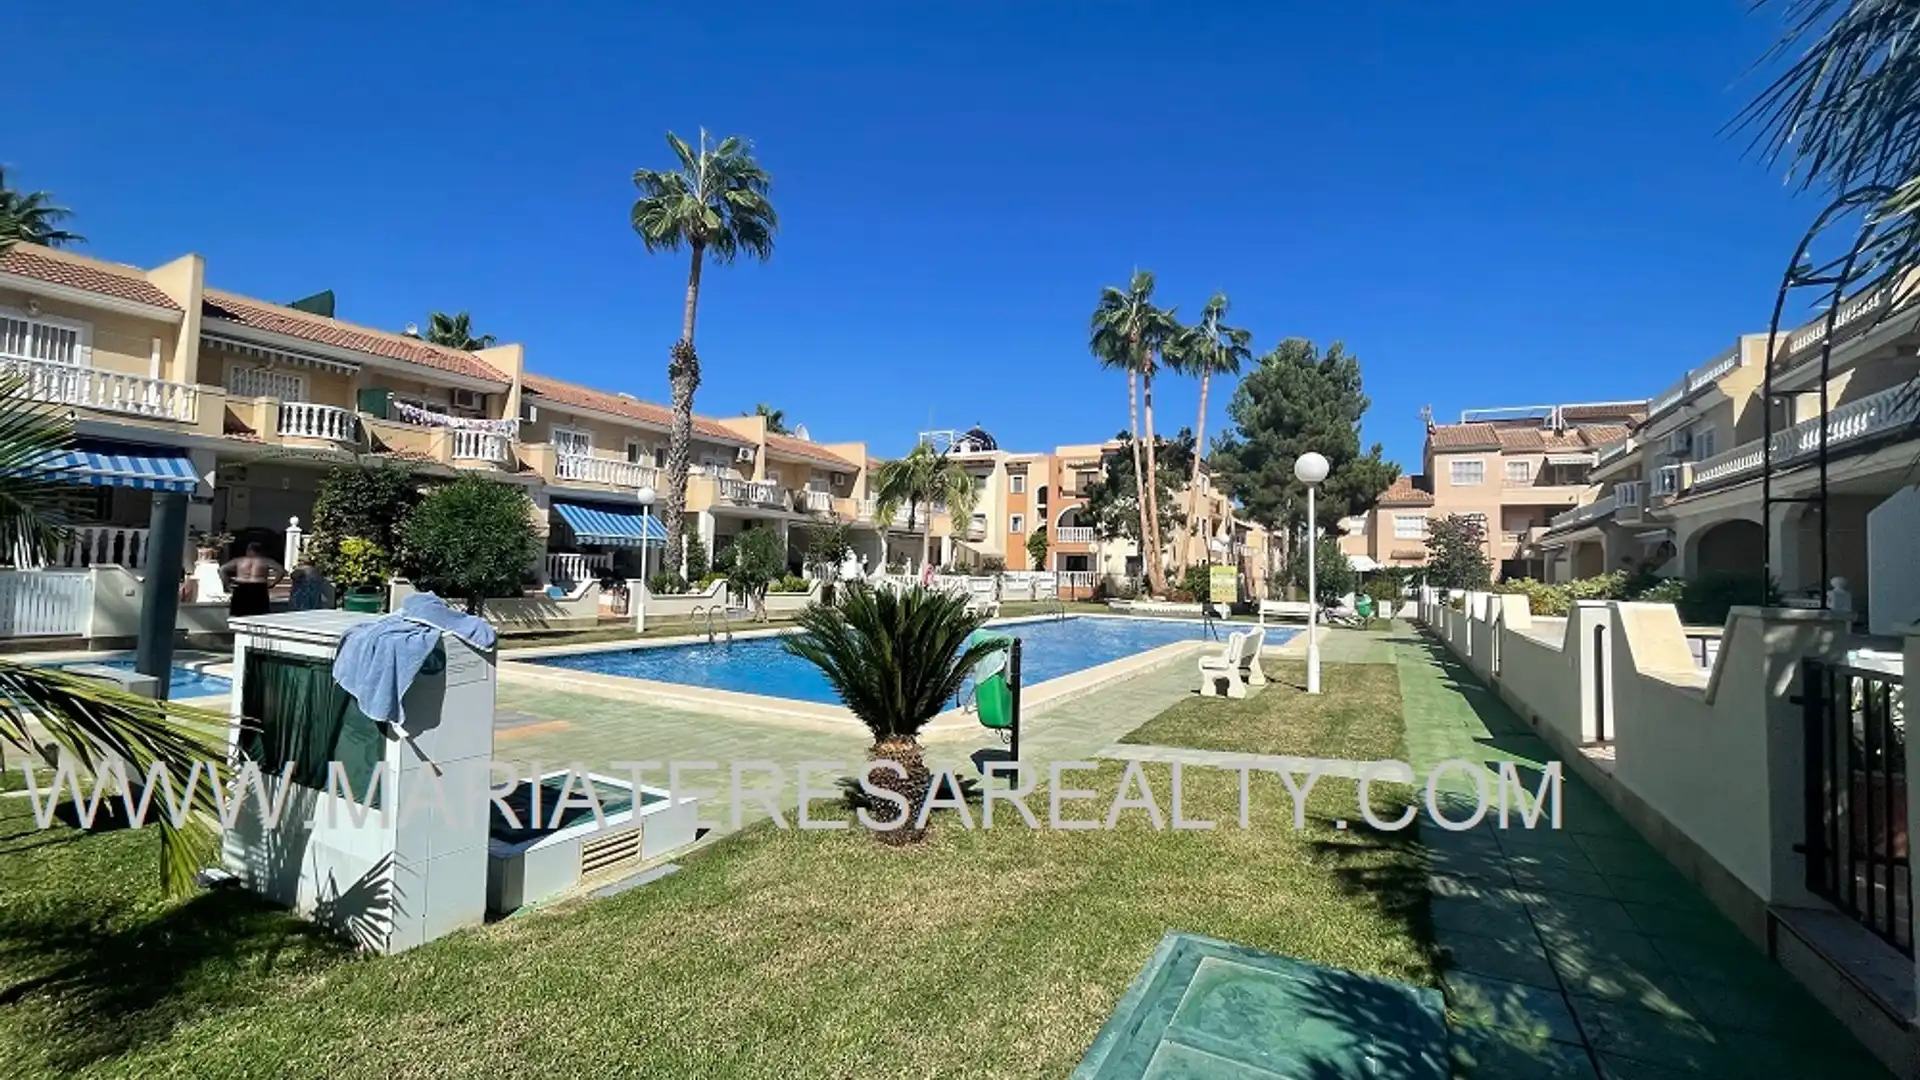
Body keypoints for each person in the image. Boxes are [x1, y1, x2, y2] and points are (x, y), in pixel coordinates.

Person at [221, 542, 286, 618]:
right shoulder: (265, 561)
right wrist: (274, 583)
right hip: (258, 587)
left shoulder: (239, 560)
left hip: (242, 586)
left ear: (248, 550)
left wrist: (227, 583)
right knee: (258, 613)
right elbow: (281, 570)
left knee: (238, 613)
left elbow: (222, 569)